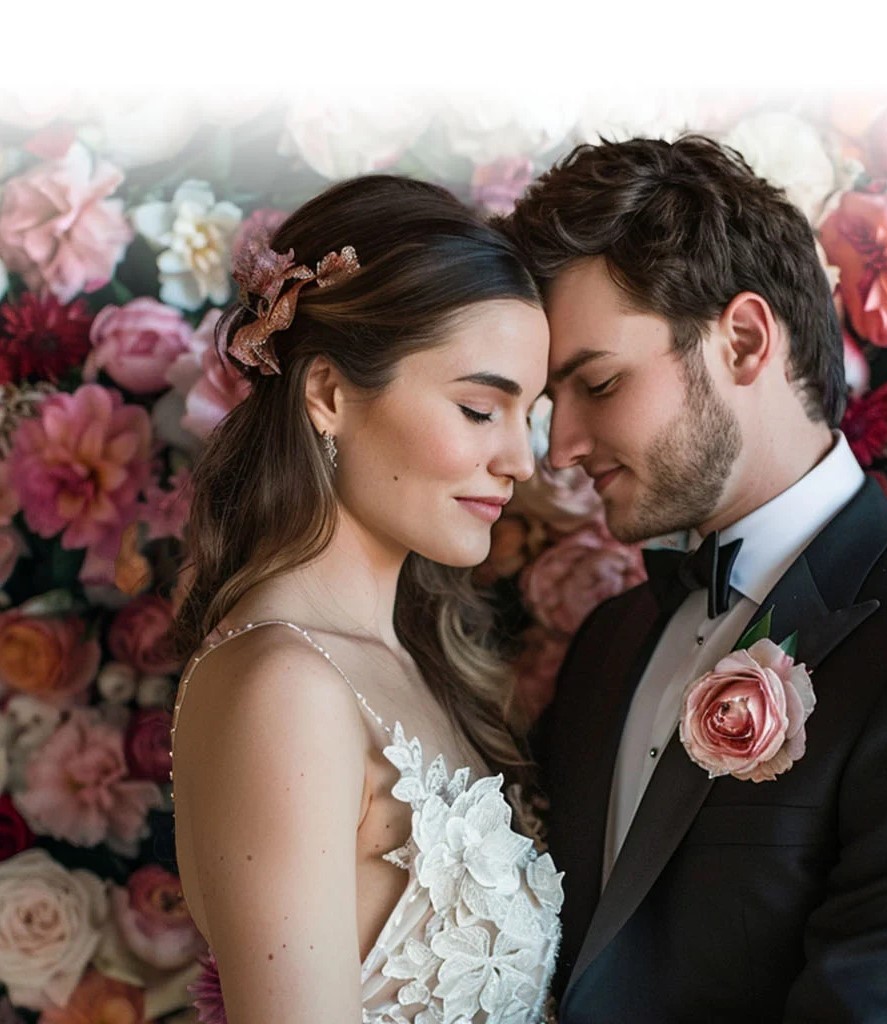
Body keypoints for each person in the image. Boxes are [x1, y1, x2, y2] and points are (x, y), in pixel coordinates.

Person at [500, 135, 887, 1023]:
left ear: (742, 339)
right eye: (554, 405)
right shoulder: (609, 644)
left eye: (600, 384)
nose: (564, 446)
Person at [169, 174, 563, 1024]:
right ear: (329, 395)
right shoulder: (286, 687)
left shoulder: (409, 661)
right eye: (478, 407)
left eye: (528, 413)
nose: (521, 462)